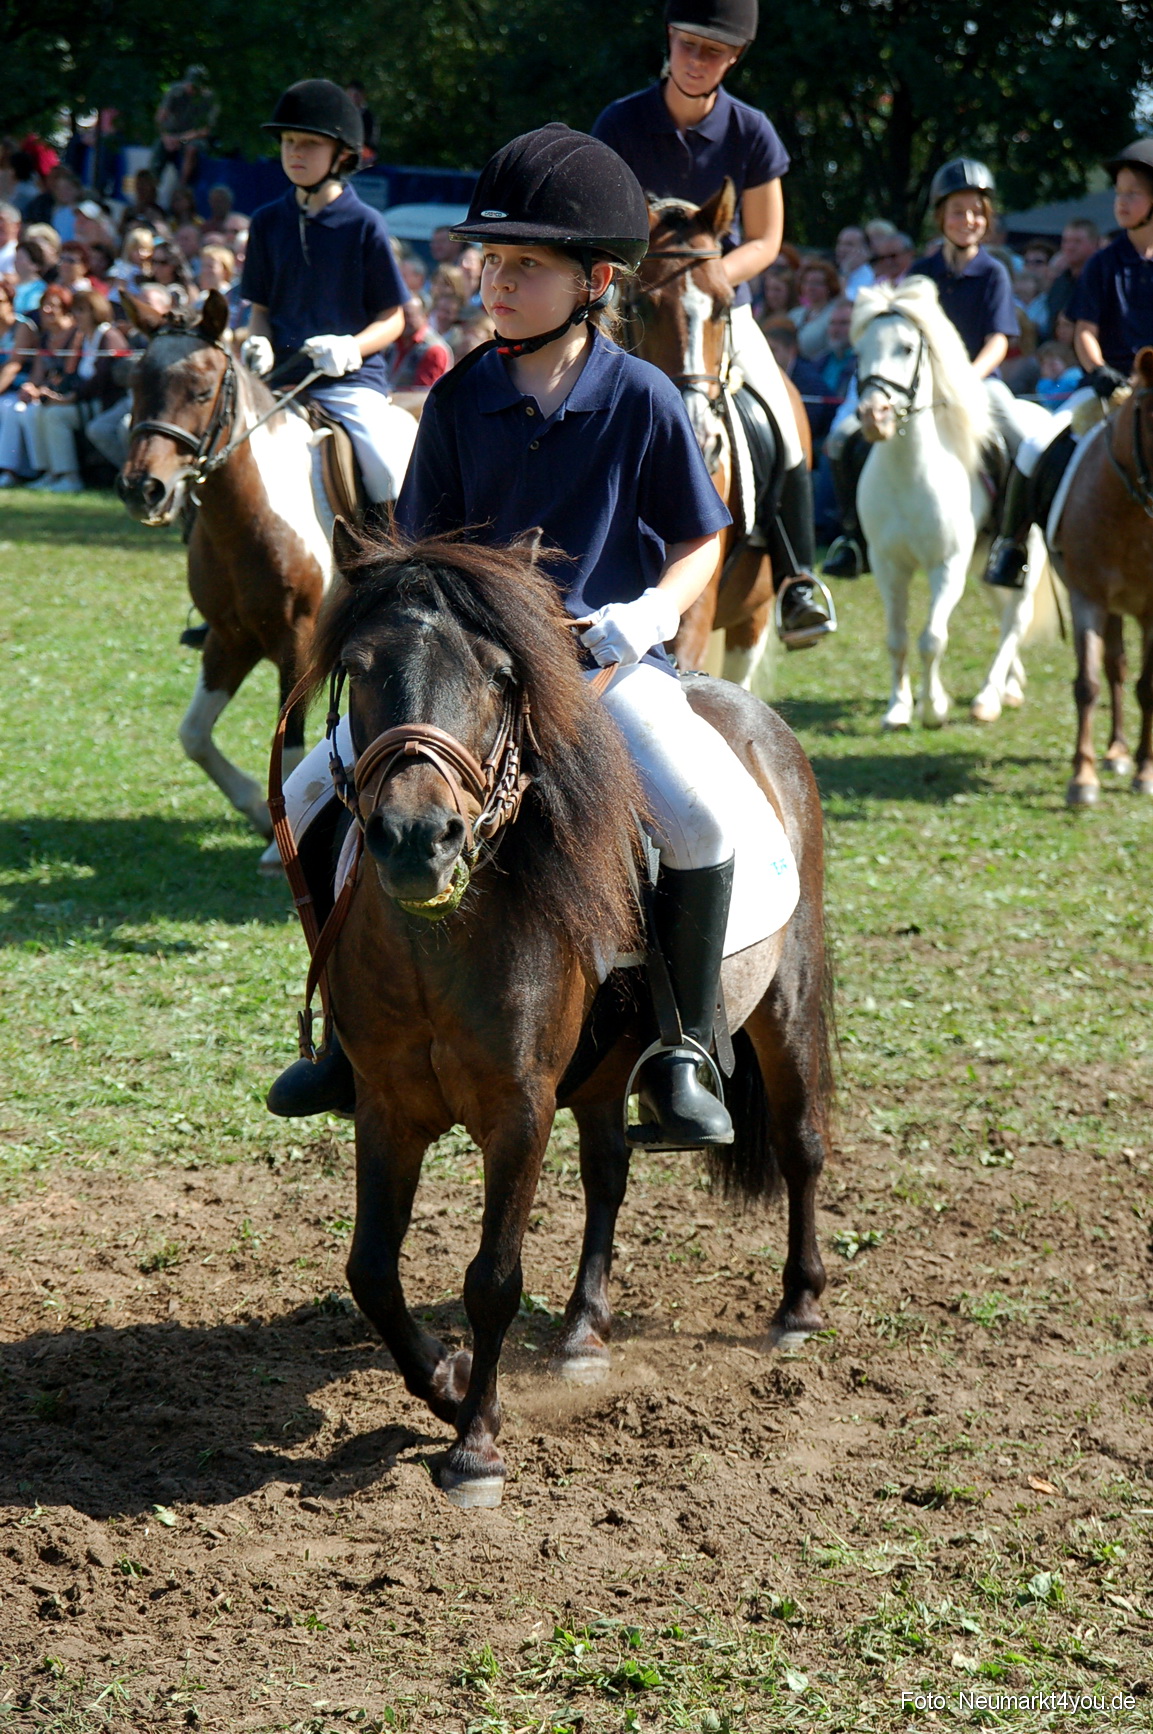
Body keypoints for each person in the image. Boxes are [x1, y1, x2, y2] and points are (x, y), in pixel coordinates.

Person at [268, 122, 796, 1151]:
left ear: (595, 279)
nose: (496, 283)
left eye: (525, 266)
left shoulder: (642, 397)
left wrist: (647, 614)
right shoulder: (463, 392)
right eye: (490, 261)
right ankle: (344, 1036)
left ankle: (683, 1048)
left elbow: (703, 537)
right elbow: (416, 546)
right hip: (470, 669)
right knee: (303, 794)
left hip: (604, 663)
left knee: (699, 820)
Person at [592, 0, 833, 648]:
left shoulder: (751, 132)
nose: (697, 60)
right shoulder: (620, 122)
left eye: (713, 51)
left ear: (733, 58)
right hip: (631, 304)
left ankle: (797, 579)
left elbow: (767, 237)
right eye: (688, 45)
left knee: (782, 419)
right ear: (669, 39)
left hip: (717, 303)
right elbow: (596, 223)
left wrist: (711, 275)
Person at [985, 140, 1153, 588]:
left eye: (1133, 192)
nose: (1121, 201)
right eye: (1118, 192)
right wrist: (1098, 371)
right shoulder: (1102, 263)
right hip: (1108, 386)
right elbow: (1083, 330)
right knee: (1036, 445)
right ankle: (1011, 546)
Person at [240, 78, 414, 505]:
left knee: (389, 475)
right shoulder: (265, 222)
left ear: (342, 155)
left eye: (309, 144)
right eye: (288, 142)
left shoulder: (364, 224)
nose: (295, 153)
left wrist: (351, 348)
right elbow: (259, 309)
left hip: (350, 385)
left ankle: (396, 566)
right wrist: (257, 340)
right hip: (279, 382)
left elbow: (394, 319)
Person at [24, 288, 121, 492]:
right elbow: (73, 374)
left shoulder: (109, 337)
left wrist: (72, 398)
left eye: (82, 310)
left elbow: (102, 380)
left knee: (56, 415)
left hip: (103, 403)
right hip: (83, 399)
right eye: (76, 310)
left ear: (96, 311)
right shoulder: (83, 338)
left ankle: (70, 476)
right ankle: (51, 473)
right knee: (42, 410)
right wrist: (57, 393)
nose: (77, 315)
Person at [153, 65, 219, 198]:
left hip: (193, 138)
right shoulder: (175, 92)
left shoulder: (209, 98)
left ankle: (181, 188)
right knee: (159, 150)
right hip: (172, 136)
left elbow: (206, 129)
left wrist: (181, 139)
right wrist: (167, 138)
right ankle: (152, 186)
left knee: (192, 149)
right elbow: (160, 118)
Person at [0, 281, 38, 487]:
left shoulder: (22, 326)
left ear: (10, 303)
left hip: (21, 388)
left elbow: (14, 365)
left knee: (9, 407)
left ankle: (10, 471)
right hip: (4, 389)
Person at [1044, 218, 1099, 340]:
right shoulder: (1060, 282)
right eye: (1066, 241)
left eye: (1077, 242)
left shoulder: (1103, 281)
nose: (1069, 247)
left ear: (1095, 244)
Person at [387, 295, 453, 390]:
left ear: (424, 316)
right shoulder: (393, 344)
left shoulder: (433, 349)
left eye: (408, 315)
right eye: (399, 315)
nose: (402, 320)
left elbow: (423, 394)